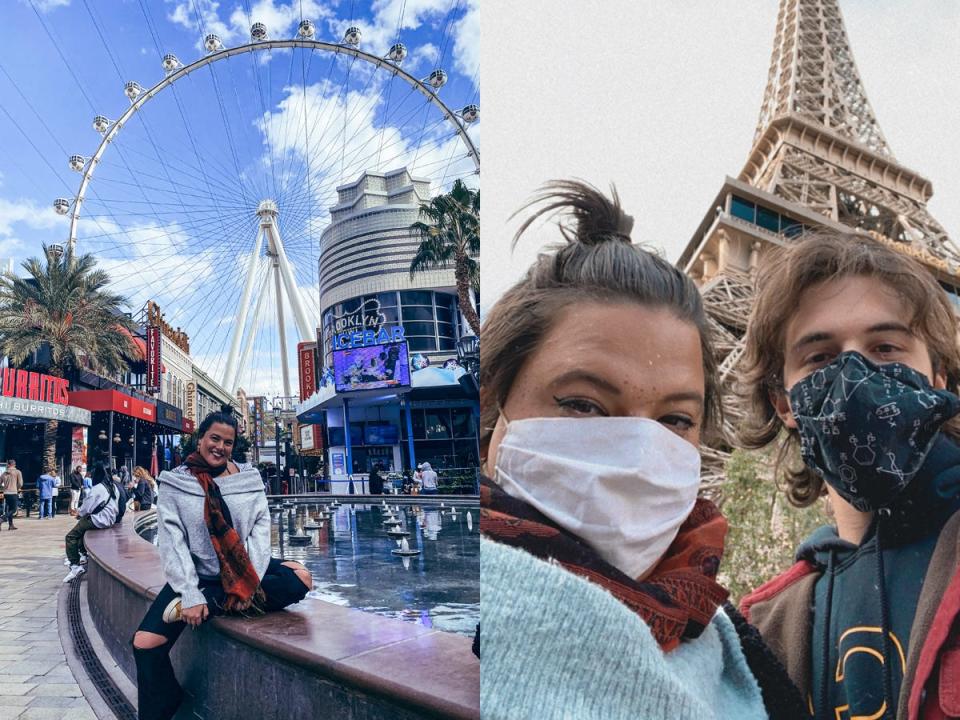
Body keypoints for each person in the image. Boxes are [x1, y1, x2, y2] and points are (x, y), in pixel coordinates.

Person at [479, 181, 802, 720]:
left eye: (676, 419)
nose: (636, 454)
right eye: (583, 404)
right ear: (493, 404)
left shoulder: (713, 625)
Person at [736, 232, 960, 720]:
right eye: (820, 358)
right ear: (784, 403)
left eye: (885, 347)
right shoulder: (762, 627)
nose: (855, 373)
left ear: (938, 377)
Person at [131, 411, 313, 720]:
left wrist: (247, 585)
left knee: (303, 577)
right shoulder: (176, 483)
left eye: (227, 442)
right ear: (200, 439)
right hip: (199, 575)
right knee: (145, 645)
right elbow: (173, 544)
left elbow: (258, 531)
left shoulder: (248, 478)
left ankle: (217, 604)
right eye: (214, 438)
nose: (220, 447)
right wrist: (189, 594)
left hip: (241, 567)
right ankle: (165, 705)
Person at [64, 464, 121, 582]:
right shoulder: (112, 487)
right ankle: (83, 554)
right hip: (110, 520)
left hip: (98, 520)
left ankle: (75, 565)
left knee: (71, 536)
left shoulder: (97, 488)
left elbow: (86, 508)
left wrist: (79, 513)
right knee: (81, 531)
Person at [1, 459, 23, 530]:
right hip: (13, 492)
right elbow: (20, 483)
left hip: (6, 493)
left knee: (10, 509)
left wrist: (4, 488)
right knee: (14, 510)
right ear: (14, 464)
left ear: (8, 464)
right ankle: (2, 518)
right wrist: (17, 488)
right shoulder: (17, 472)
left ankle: (11, 525)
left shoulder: (4, 473)